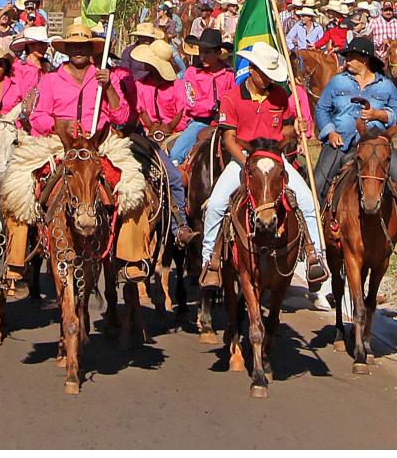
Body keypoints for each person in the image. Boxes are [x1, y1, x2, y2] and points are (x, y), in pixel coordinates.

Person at [198, 42, 329, 289]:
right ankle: (210, 261)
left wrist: (296, 129)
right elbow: (228, 139)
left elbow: (286, 129)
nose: (269, 79)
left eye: (272, 75)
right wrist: (247, 163)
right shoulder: (232, 97)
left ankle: (315, 256)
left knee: (308, 201)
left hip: (276, 160)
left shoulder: (280, 95)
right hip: (245, 160)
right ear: (253, 70)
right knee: (215, 204)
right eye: (265, 74)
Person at [311, 37, 397, 256]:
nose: (346, 61)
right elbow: (321, 110)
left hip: (374, 145)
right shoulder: (338, 82)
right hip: (342, 142)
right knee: (317, 182)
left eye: (351, 57)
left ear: (364, 59)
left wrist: (379, 114)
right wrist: (329, 132)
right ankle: (315, 238)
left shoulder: (385, 85)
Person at [111, 38, 197, 246]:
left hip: (174, 132)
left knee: (175, 175)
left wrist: (168, 128)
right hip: (145, 133)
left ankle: (179, 225)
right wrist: (151, 127)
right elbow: (138, 109)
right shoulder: (139, 84)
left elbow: (182, 110)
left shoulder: (177, 85)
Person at [172, 29, 231, 162]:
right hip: (200, 122)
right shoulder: (191, 73)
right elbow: (191, 102)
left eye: (207, 52)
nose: (202, 57)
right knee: (176, 154)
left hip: (226, 123)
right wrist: (214, 107)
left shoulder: (229, 75)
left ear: (218, 53)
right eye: (200, 52)